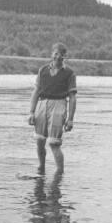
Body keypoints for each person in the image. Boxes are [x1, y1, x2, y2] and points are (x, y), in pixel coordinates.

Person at [28, 42, 77, 175]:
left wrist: (70, 119)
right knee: (39, 140)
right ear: (52, 54)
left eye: (61, 55)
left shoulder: (69, 73)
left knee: (54, 143)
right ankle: (41, 168)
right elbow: (36, 91)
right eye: (56, 54)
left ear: (64, 57)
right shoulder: (42, 70)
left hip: (59, 104)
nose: (58, 57)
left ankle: (59, 173)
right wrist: (31, 112)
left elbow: (72, 97)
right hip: (42, 104)